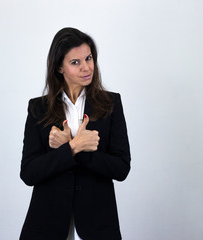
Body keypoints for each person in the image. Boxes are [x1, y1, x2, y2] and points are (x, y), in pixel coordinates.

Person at [19, 27, 131, 240]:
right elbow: (29, 173)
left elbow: (122, 168)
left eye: (88, 58)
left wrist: (75, 148)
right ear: (59, 67)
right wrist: (72, 147)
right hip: (47, 223)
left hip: (97, 224)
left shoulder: (111, 104)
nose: (86, 67)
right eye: (75, 62)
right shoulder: (38, 108)